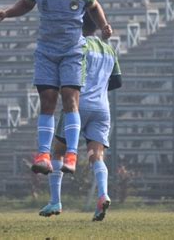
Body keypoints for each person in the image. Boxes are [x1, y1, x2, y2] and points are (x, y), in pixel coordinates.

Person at [0, 0, 112, 175]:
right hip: (46, 52)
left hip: (72, 52)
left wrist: (103, 24)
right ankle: (43, 155)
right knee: (47, 100)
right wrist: (6, 14)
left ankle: (72, 154)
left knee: (69, 97)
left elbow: (94, 6)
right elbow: (26, 4)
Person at [38, 12, 122, 221]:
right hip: (102, 108)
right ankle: (103, 194)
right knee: (96, 155)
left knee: (57, 152)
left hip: (77, 104)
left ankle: (55, 201)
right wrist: (98, 87)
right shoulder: (109, 48)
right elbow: (117, 81)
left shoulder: (77, 45)